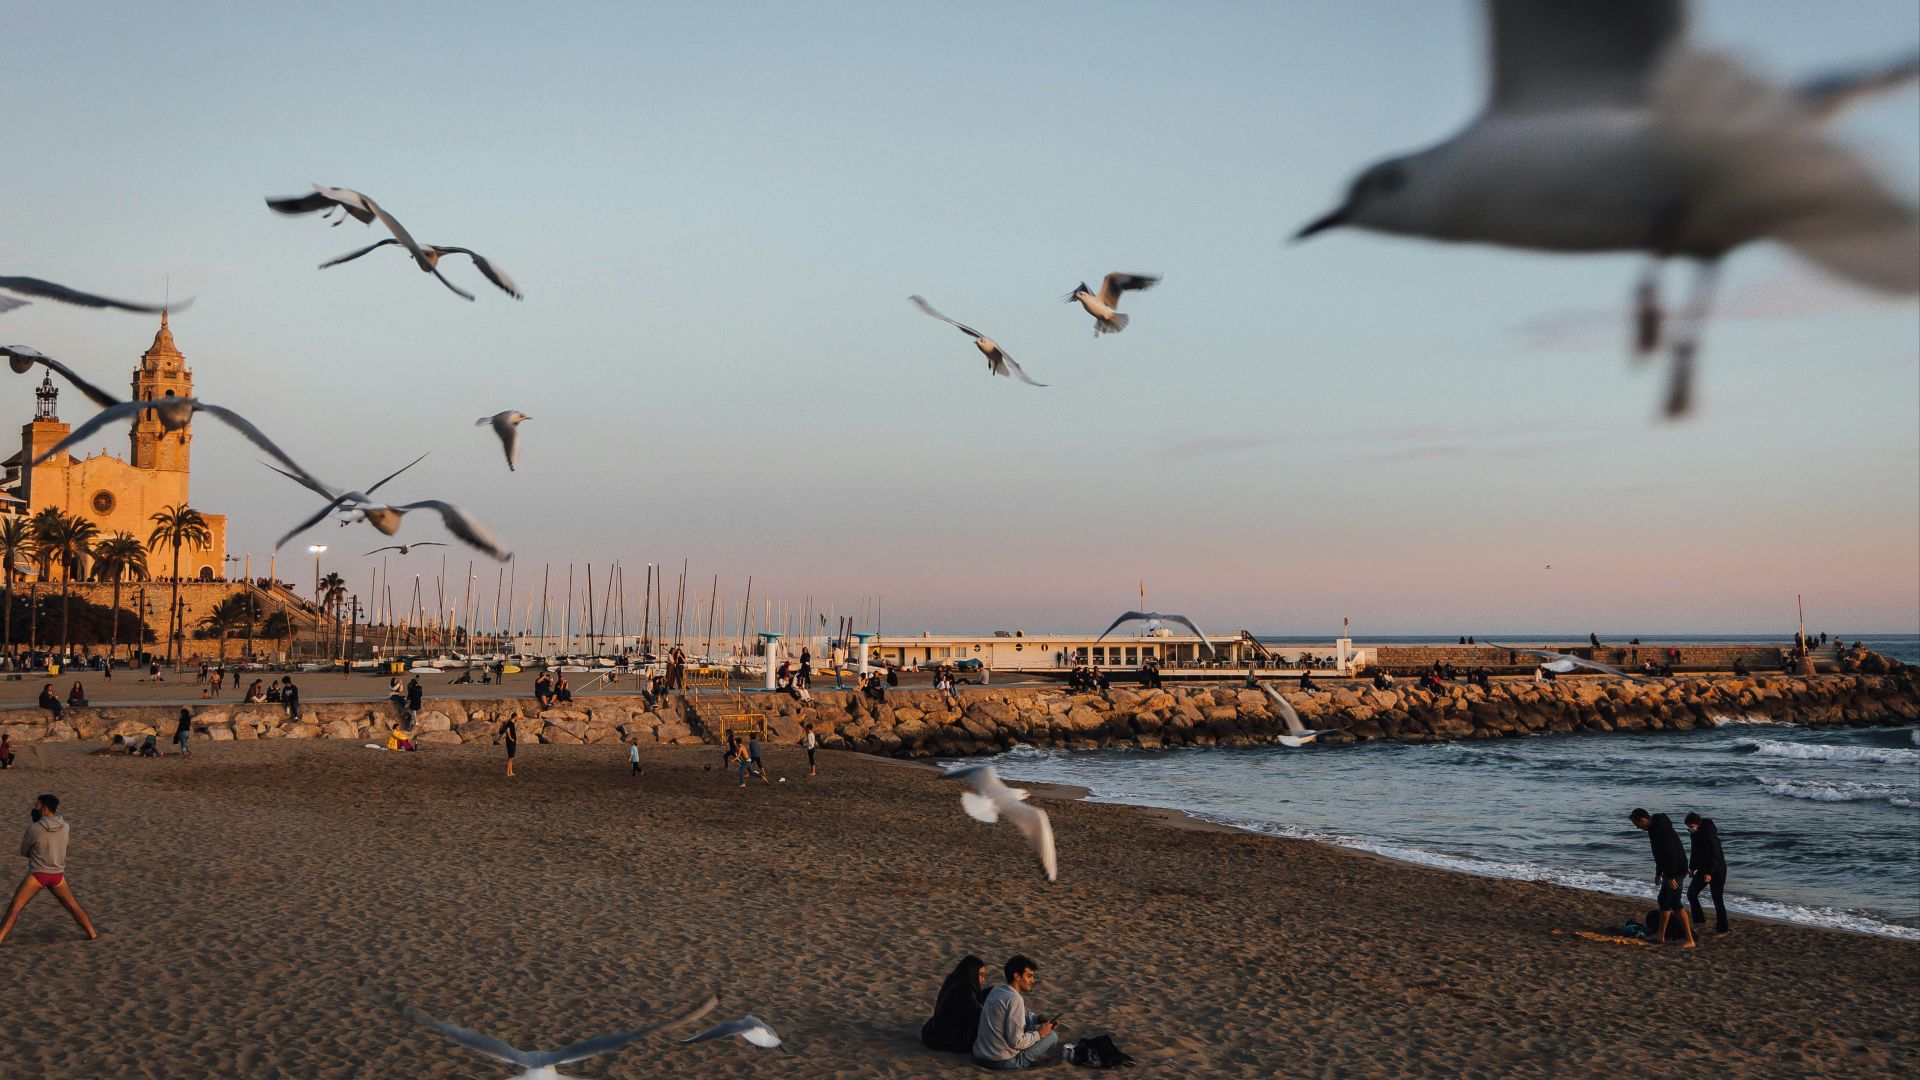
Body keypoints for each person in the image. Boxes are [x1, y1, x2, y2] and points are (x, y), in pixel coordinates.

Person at [0, 794, 98, 945]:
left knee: (15, 908)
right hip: (58, 875)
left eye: (37, 806)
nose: (35, 808)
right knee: (73, 906)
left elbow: (24, 851)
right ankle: (92, 934)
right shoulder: (65, 826)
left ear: (44, 809)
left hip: (38, 874)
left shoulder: (34, 828)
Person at [973, 954, 1058, 1070]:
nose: (1032, 981)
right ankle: (1029, 1059)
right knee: (1052, 1036)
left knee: (1030, 1024)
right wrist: (1040, 1034)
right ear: (1017, 976)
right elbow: (1016, 1042)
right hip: (1001, 1062)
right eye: (1029, 976)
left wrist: (1038, 1018)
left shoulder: (997, 990)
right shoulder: (1015, 999)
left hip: (979, 1056)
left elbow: (1015, 1014)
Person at [1630, 808, 1695, 947]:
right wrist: (1658, 872)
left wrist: (1671, 876)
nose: (1637, 827)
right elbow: (1659, 854)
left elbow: (1670, 853)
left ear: (1642, 819)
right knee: (1664, 901)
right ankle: (1661, 935)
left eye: (1636, 824)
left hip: (1676, 870)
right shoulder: (1653, 828)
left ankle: (1690, 939)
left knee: (1674, 903)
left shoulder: (1660, 830)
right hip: (1670, 870)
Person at [922, 955, 989, 1053]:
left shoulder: (955, 980)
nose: (983, 980)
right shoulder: (964, 989)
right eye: (981, 975)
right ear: (972, 973)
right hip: (946, 1039)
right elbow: (977, 1012)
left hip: (933, 1032)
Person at [1685, 812, 1730, 934]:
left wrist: (1710, 873)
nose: (1689, 829)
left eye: (1691, 826)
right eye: (1688, 826)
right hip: (1702, 869)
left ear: (1697, 824)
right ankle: (1699, 921)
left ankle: (1723, 929)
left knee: (1717, 899)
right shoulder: (1694, 834)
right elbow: (1694, 850)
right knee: (1691, 894)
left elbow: (1716, 856)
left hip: (1717, 870)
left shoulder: (1710, 835)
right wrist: (1692, 868)